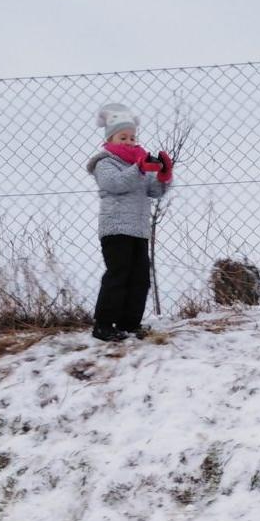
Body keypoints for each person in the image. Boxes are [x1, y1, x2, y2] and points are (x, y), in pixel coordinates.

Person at [86, 102, 173, 342]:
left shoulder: (138, 164)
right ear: (110, 139)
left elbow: (153, 191)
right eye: (123, 137)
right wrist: (139, 168)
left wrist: (164, 176)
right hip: (115, 230)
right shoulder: (105, 163)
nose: (129, 141)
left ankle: (129, 324)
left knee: (140, 278)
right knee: (118, 275)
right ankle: (103, 325)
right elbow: (115, 184)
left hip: (138, 231)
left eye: (132, 137)